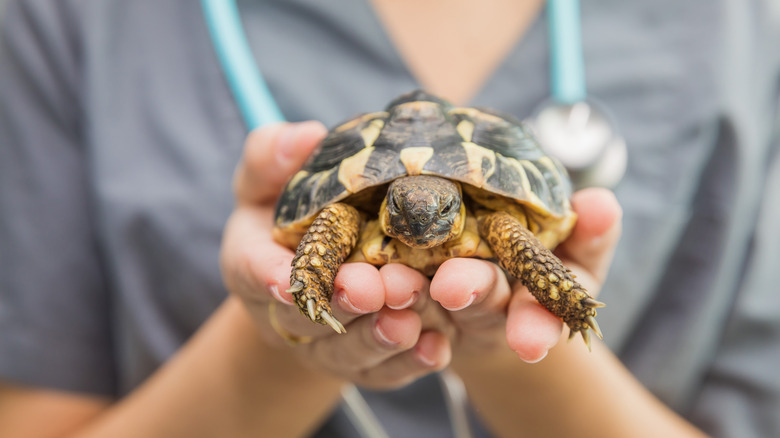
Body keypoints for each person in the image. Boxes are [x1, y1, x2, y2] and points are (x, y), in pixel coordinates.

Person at [0, 1, 777, 437]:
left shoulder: (743, 27)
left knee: (508, 238)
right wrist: (279, 339)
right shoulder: (61, 21)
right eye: (411, 215)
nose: (425, 226)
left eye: (437, 213)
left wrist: (518, 345)